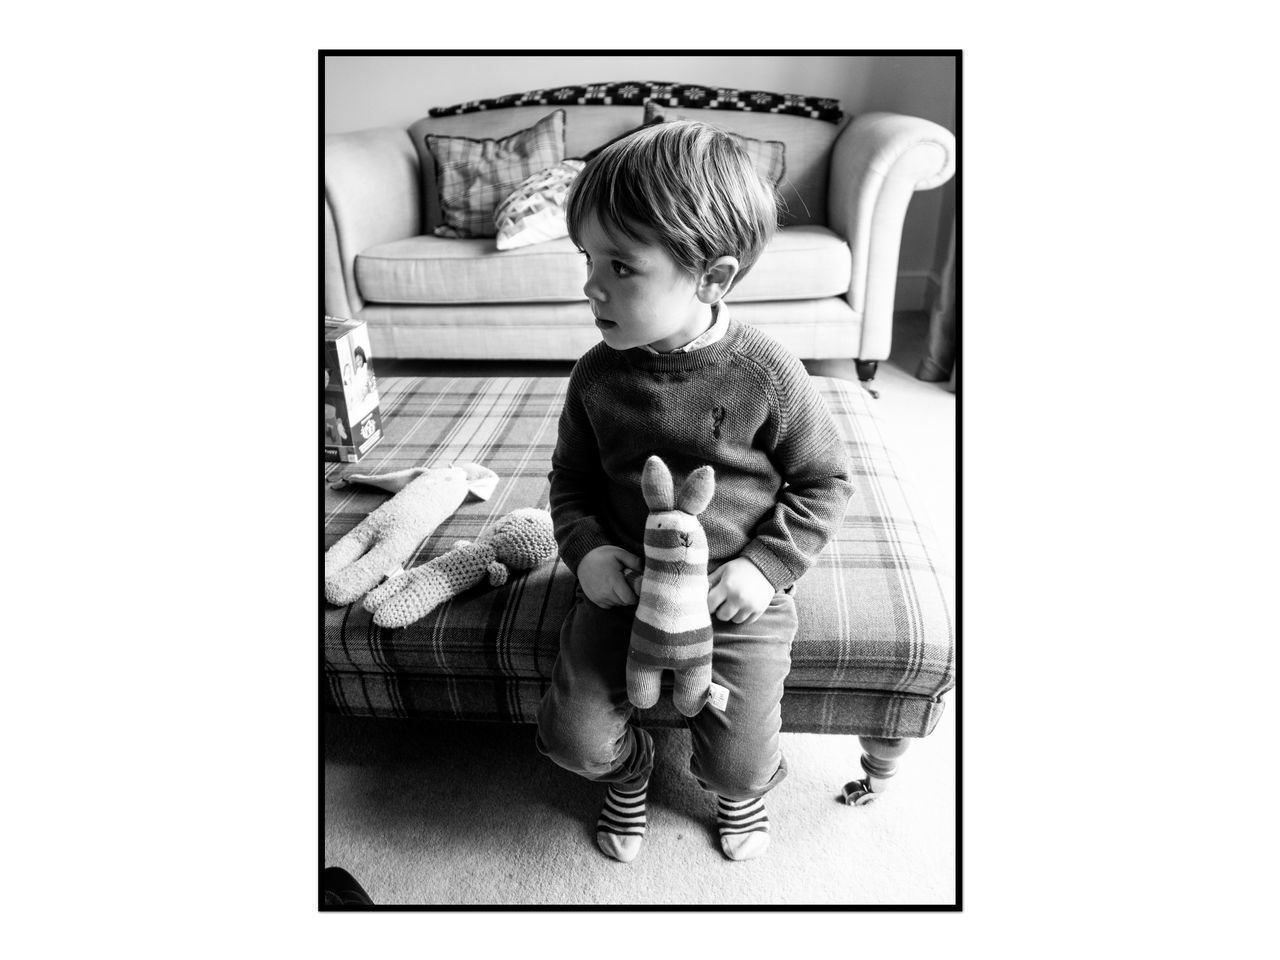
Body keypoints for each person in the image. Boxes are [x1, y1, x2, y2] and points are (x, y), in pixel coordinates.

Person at [534, 120, 854, 863]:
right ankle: (632, 767)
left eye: (620, 265)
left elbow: (825, 479)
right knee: (571, 738)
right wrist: (585, 554)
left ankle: (737, 794)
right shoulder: (596, 376)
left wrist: (765, 568)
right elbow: (571, 482)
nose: (590, 284)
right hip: (625, 588)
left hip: (735, 598)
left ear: (711, 277)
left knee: (739, 762)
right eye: (587, 258)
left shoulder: (767, 373)